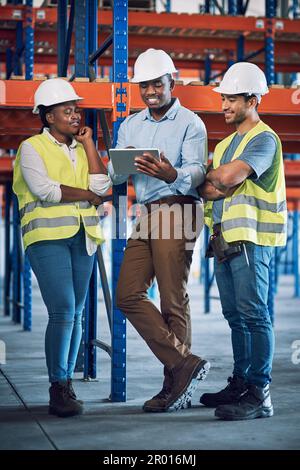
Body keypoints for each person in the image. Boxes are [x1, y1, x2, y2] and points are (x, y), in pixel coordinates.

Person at [108, 48, 210, 413]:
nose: (150, 91)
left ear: (172, 81)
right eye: (144, 85)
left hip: (178, 208)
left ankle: (174, 388)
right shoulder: (130, 125)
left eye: (156, 83)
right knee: (126, 294)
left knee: (172, 298)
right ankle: (183, 363)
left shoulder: (191, 122)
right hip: (146, 211)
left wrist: (173, 174)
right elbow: (116, 175)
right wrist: (120, 163)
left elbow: (197, 170)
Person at [13, 78, 112, 417]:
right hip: (46, 238)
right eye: (67, 110)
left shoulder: (83, 147)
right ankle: (58, 386)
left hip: (83, 236)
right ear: (48, 116)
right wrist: (87, 194)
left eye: (76, 109)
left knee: (78, 312)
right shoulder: (31, 148)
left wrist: (89, 147)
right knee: (64, 309)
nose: (75, 115)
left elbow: (102, 183)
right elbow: (45, 191)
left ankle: (66, 381)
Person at [198, 62, 287, 420]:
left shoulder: (264, 139)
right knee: (235, 316)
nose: (224, 106)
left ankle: (259, 392)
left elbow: (228, 176)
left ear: (252, 100)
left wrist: (221, 179)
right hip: (223, 239)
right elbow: (208, 186)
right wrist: (217, 180)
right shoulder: (223, 145)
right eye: (223, 99)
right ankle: (241, 382)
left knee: (254, 315)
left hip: (250, 238)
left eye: (232, 100)